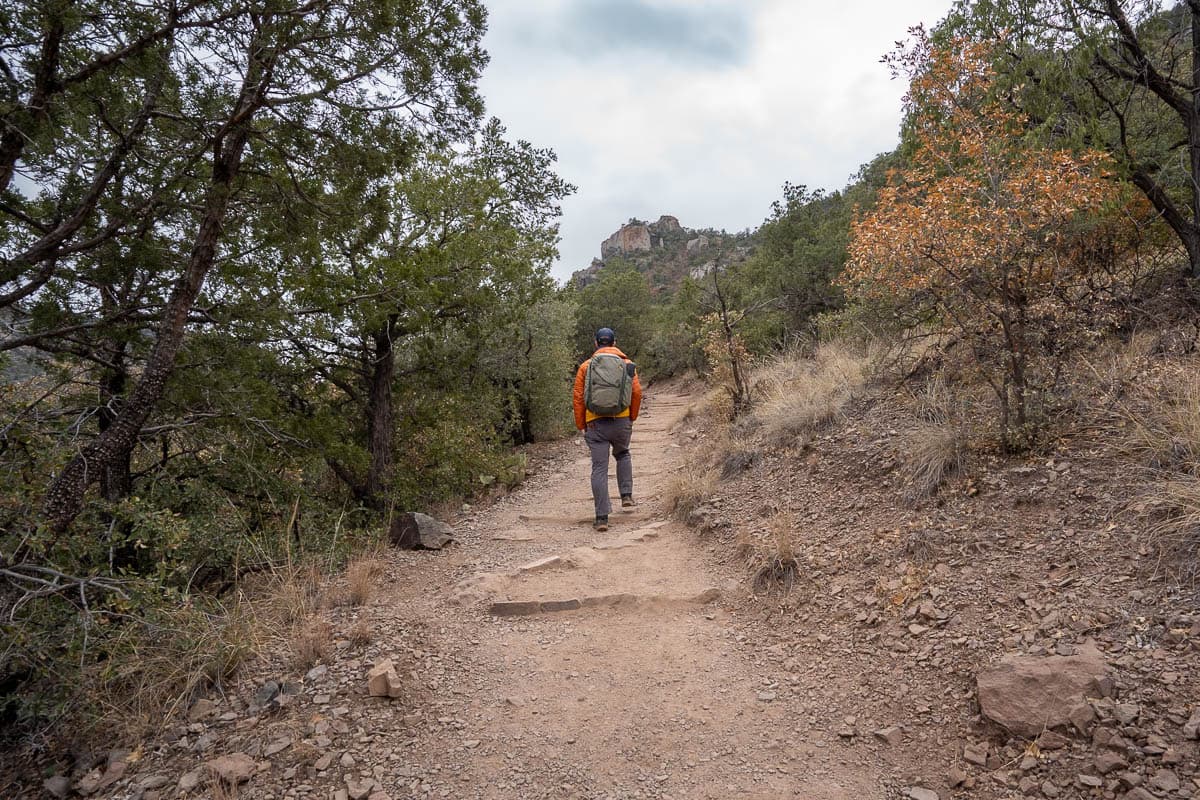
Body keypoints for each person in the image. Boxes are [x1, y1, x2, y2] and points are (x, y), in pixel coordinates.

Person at [573, 327, 642, 531]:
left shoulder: (586, 366)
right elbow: (636, 392)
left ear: (596, 343)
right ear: (614, 342)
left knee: (599, 469)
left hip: (595, 424)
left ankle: (602, 518)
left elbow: (578, 398)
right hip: (621, 421)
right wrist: (631, 417)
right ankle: (626, 495)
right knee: (623, 454)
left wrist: (581, 424)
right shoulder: (627, 364)